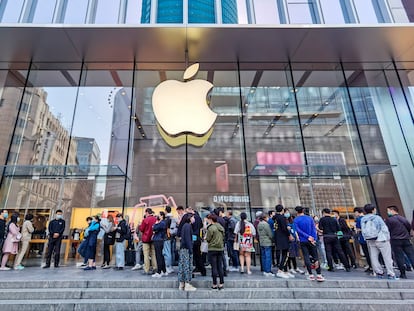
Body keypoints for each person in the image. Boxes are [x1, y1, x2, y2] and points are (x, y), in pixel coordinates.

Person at [361, 204, 398, 280]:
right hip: (381, 239)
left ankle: (379, 272)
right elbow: (384, 228)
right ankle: (391, 273)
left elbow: (363, 230)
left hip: (370, 240)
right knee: (387, 257)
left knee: (374, 257)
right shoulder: (377, 218)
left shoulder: (363, 219)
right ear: (373, 210)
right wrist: (387, 238)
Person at [293, 206, 325, 282]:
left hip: (303, 240)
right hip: (312, 240)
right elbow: (314, 228)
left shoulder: (296, 220)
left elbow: (298, 230)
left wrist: (307, 237)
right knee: (315, 256)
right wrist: (313, 238)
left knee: (306, 256)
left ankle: (310, 274)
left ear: (297, 212)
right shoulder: (309, 218)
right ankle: (319, 274)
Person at [385, 205, 414, 279]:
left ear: (392, 210)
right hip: (406, 239)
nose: (387, 212)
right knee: (411, 255)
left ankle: (403, 273)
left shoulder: (389, 220)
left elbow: (387, 230)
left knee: (399, 257)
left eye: (388, 210)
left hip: (395, 240)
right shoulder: (403, 218)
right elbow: (409, 227)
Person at [273, 204, 294, 278]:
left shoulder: (275, 217)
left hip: (278, 237)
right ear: (282, 210)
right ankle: (280, 270)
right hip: (283, 238)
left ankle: (285, 270)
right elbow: (284, 228)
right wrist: (289, 235)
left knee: (284, 254)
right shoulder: (282, 218)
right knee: (286, 254)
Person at [178, 213, 197, 291]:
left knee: (182, 266)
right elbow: (188, 239)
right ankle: (187, 284)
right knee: (187, 266)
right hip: (187, 249)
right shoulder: (188, 226)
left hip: (183, 248)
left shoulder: (184, 226)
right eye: (192, 217)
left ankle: (182, 283)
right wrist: (191, 249)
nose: (193, 219)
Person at [206, 213, 225, 290]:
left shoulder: (211, 228)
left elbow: (208, 239)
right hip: (220, 248)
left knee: (214, 267)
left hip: (212, 248)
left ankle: (214, 284)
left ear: (211, 219)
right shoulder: (221, 227)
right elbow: (223, 236)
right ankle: (221, 283)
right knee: (220, 266)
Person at [353, 207, 372, 273]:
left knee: (366, 253)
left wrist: (356, 229)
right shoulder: (368, 218)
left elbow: (358, 230)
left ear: (357, 212)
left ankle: (371, 266)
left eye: (355, 212)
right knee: (372, 253)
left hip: (363, 238)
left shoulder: (359, 219)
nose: (355, 214)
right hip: (371, 238)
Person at [139, 208, 157, 274]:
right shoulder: (155, 219)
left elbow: (141, 229)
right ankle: (155, 268)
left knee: (146, 255)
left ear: (147, 212)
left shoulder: (145, 220)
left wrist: (139, 225)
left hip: (146, 239)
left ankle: (147, 269)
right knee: (153, 254)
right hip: (153, 238)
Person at [152, 212, 167, 278]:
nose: (157, 216)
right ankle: (164, 270)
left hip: (158, 240)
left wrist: (155, 224)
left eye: (159, 215)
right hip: (159, 240)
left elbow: (154, 227)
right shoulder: (162, 223)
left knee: (158, 256)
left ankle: (159, 271)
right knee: (160, 255)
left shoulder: (162, 223)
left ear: (162, 216)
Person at [163, 206, 175, 274]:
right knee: (170, 252)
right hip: (171, 236)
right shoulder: (173, 217)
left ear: (166, 211)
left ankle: (168, 266)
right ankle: (170, 266)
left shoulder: (167, 218)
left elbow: (165, 227)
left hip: (167, 236)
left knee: (167, 252)